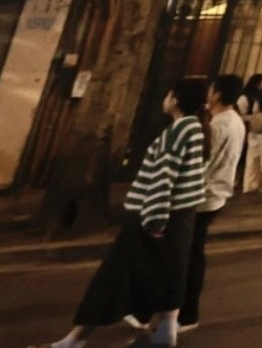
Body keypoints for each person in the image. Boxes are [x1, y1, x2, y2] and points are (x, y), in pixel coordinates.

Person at [36, 79, 208, 348]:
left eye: (168, 93)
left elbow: (164, 178)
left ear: (175, 100)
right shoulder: (195, 129)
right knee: (169, 272)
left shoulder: (178, 131)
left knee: (113, 277)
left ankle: (75, 340)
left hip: (157, 215)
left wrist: (154, 219)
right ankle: (166, 331)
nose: (164, 98)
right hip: (181, 217)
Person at [180, 74, 244, 335]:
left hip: (204, 196)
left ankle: (187, 314)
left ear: (217, 94)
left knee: (190, 256)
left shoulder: (218, 126)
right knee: (190, 253)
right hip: (216, 194)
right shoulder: (234, 121)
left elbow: (203, 163)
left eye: (211, 89)